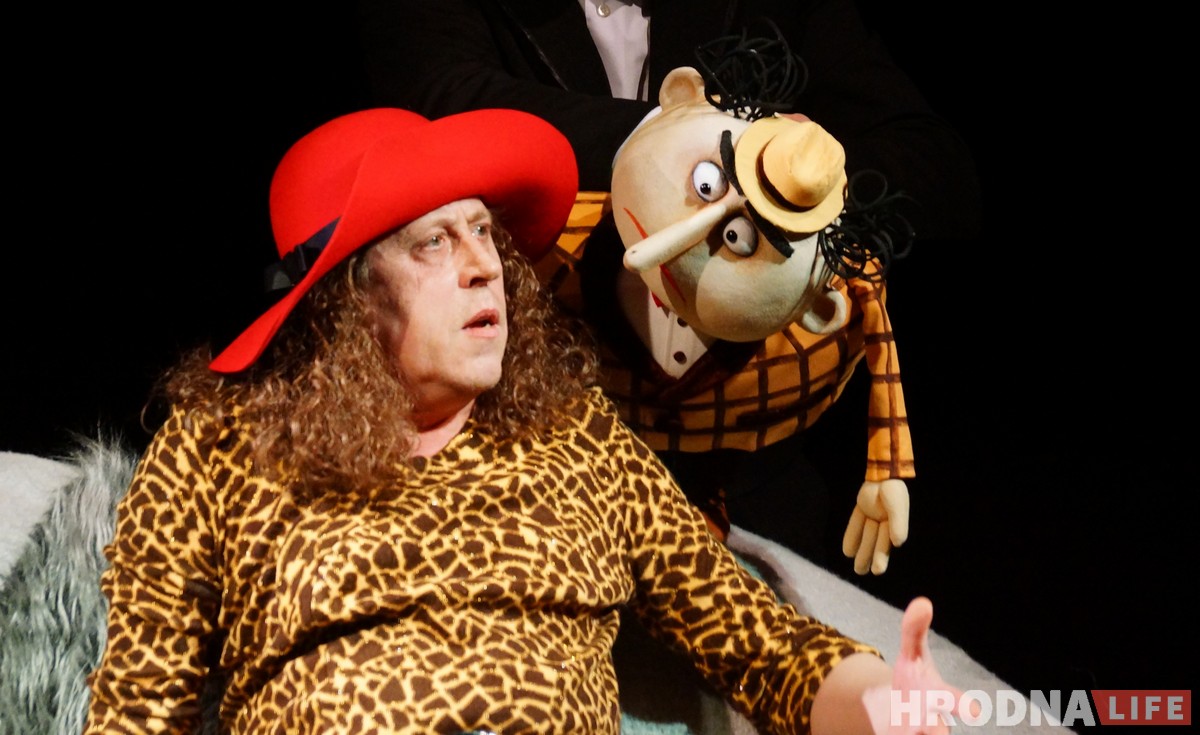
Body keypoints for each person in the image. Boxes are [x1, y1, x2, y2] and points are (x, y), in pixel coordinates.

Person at [82, 107, 963, 734]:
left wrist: (885, 703)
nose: (485, 267)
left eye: (485, 234)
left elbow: (761, 645)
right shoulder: (221, 443)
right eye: (434, 242)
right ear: (348, 300)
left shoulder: (570, 434)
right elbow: (137, 708)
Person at [354, 0, 977, 569]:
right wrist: (688, 139)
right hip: (521, 460)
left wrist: (790, 177)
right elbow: (444, 100)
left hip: (746, 465)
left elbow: (934, 163)